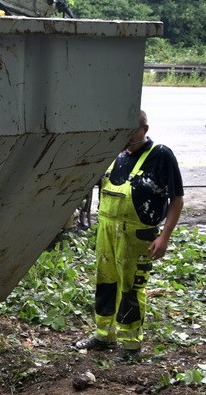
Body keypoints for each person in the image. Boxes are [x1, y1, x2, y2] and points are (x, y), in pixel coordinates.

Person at [74, 110, 184, 361]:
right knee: (105, 284)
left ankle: (131, 346)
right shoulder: (114, 154)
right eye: (120, 132)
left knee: (130, 290)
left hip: (137, 236)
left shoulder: (161, 156)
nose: (125, 138)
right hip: (107, 231)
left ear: (145, 129)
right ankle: (103, 335)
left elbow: (176, 199)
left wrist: (164, 237)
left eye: (131, 132)